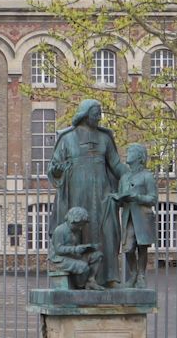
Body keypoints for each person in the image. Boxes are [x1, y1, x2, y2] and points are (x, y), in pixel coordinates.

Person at [47, 99, 125, 287]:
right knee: (79, 232)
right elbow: (54, 168)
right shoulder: (67, 138)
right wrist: (57, 170)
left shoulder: (105, 138)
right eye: (95, 113)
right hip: (77, 194)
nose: (99, 117)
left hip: (103, 194)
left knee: (108, 232)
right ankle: (81, 280)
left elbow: (115, 165)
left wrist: (134, 178)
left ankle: (110, 278)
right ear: (84, 114)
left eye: (100, 113)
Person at [112, 143, 158, 288]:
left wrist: (137, 197)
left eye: (130, 152)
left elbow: (153, 198)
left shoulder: (147, 176)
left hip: (142, 217)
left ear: (138, 156)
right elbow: (121, 196)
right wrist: (118, 198)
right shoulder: (124, 178)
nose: (127, 154)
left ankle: (141, 276)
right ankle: (133, 274)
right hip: (128, 217)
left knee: (142, 246)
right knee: (128, 248)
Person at [47, 207, 103, 290]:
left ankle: (91, 280)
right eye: (79, 225)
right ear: (72, 221)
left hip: (72, 255)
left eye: (82, 225)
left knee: (97, 256)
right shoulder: (60, 230)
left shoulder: (75, 231)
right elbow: (58, 250)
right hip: (59, 259)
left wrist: (86, 248)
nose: (80, 228)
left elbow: (75, 246)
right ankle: (80, 286)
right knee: (83, 267)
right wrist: (75, 249)